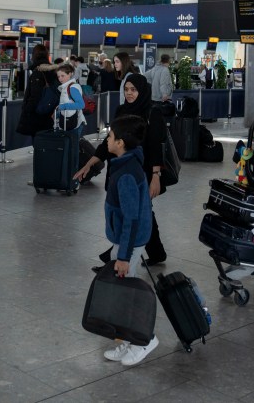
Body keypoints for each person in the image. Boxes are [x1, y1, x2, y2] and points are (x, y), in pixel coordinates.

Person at [76, 74, 168, 267]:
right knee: (139, 212)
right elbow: (108, 142)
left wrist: (156, 176)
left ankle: (117, 257)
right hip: (119, 169)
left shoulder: (153, 112)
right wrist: (89, 164)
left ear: (142, 90)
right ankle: (155, 253)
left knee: (135, 212)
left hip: (141, 172)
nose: (129, 93)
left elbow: (155, 147)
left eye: (133, 90)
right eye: (126, 89)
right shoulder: (121, 110)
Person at [94, 114, 159, 367]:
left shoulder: (127, 174)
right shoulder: (126, 163)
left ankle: (145, 340)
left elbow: (131, 218)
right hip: (125, 240)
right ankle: (129, 340)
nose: (107, 139)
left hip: (129, 241)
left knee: (127, 294)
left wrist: (123, 256)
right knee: (122, 291)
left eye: (110, 136)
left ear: (120, 142)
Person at [15, 44, 58, 141]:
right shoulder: (52, 71)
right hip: (50, 112)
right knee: (46, 142)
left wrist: (26, 109)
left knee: (38, 142)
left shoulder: (37, 73)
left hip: (38, 114)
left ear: (34, 56)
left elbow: (35, 95)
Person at [55, 63, 86, 134]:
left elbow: (81, 105)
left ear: (70, 74)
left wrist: (64, 106)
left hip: (74, 123)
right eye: (58, 76)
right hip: (69, 122)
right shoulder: (65, 87)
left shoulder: (72, 87)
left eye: (62, 76)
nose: (60, 78)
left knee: (73, 144)